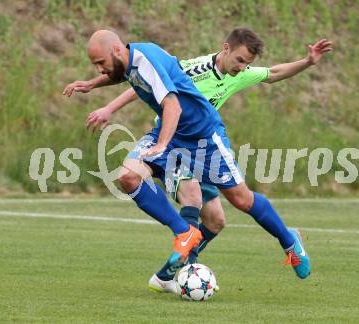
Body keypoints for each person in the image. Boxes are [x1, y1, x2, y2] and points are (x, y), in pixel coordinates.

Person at [64, 29, 310, 294]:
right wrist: (93, 84)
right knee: (128, 177)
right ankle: (185, 233)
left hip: (203, 134)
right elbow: (126, 77)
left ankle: (289, 241)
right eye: (96, 66)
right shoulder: (132, 59)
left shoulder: (144, 59)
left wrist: (160, 145)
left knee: (241, 200)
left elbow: (173, 105)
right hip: (169, 132)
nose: (100, 69)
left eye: (100, 63)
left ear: (116, 50)